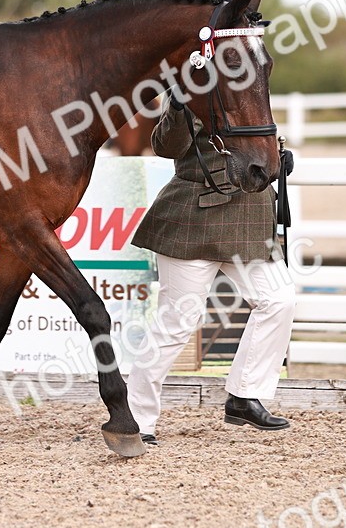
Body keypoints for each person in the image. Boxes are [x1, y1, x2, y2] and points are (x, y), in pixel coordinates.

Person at [127, 91, 296, 445]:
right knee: (177, 321)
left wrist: (276, 162)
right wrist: (177, 104)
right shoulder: (192, 88)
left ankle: (244, 395)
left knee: (279, 300)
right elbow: (166, 146)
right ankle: (136, 418)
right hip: (193, 216)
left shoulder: (251, 92)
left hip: (248, 217)